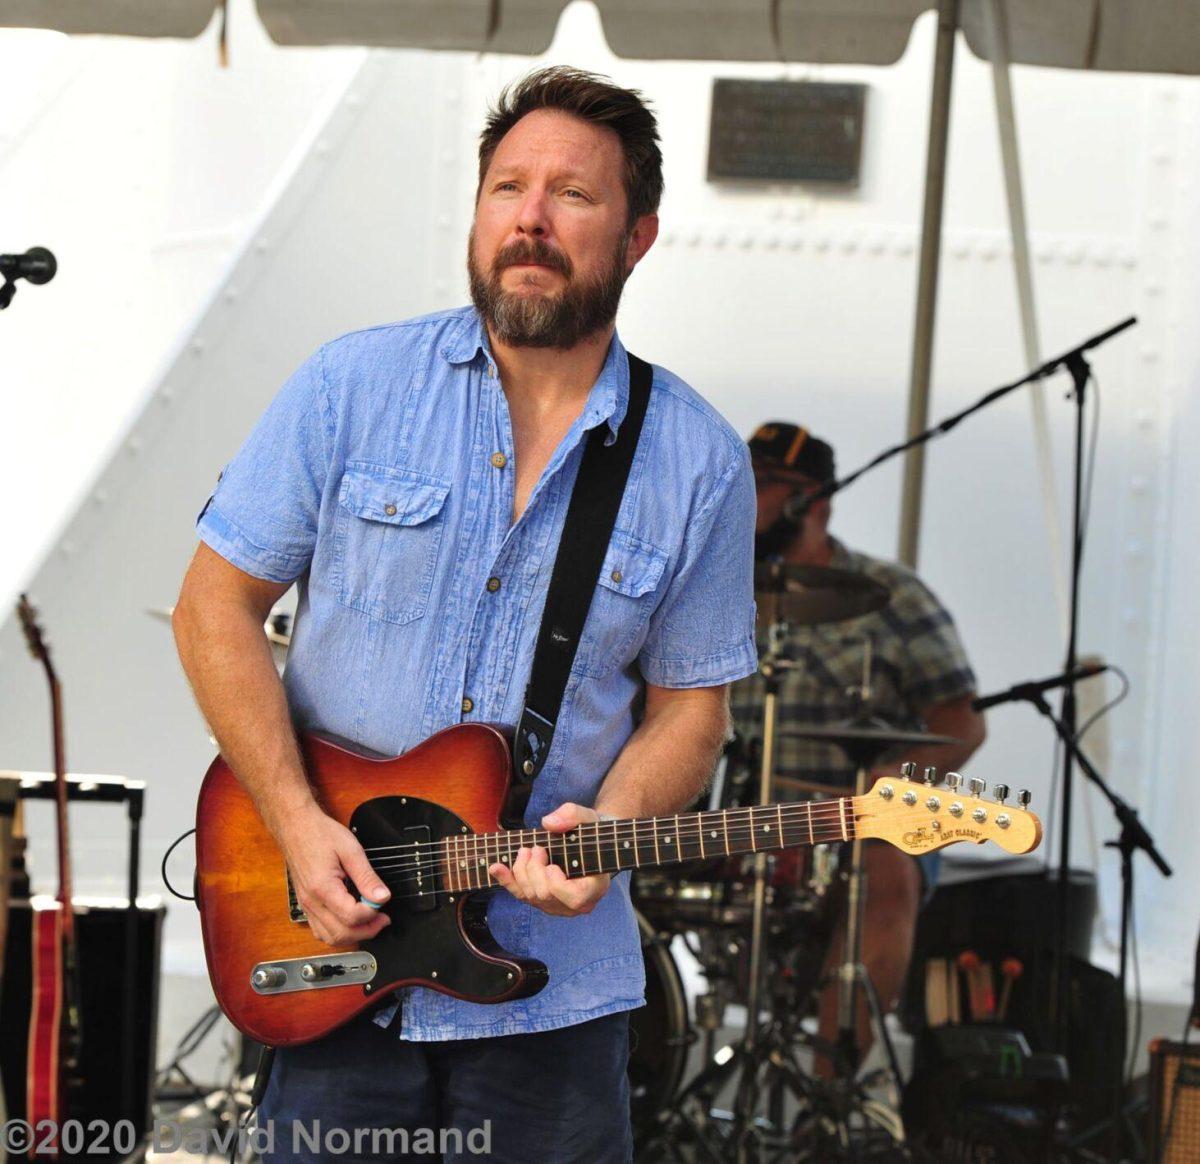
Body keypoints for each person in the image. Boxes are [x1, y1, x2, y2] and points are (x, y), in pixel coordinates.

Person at [172, 67, 757, 1162]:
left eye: (573, 196)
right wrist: (300, 828)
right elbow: (215, 607)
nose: (530, 219)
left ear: (638, 237)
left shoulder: (698, 461)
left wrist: (611, 828)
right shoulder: (352, 386)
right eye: (507, 188)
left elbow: (692, 710)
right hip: (337, 965)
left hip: (557, 1005)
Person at [730, 422, 986, 1074]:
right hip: (734, 825)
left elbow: (963, 720)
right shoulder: (713, 589)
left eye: (764, 484)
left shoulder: (888, 593)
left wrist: (890, 781)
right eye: (743, 481)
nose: (746, 498)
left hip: (850, 829)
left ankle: (830, 1095)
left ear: (814, 500)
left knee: (886, 864)